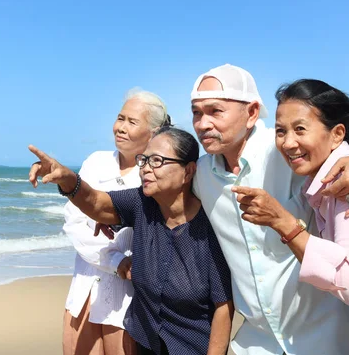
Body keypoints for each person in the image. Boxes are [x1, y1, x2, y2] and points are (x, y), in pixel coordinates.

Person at [189, 64, 349, 355]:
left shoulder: (290, 150)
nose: (202, 123)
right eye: (196, 113)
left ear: (251, 113)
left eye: (215, 111)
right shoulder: (201, 175)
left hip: (328, 334)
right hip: (257, 342)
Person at [29, 127, 234, 355]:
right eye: (144, 160)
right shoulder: (141, 203)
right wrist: (67, 180)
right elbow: (97, 203)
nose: (145, 168)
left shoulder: (210, 227)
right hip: (144, 343)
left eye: (157, 161)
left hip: (190, 347)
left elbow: (223, 306)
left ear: (188, 171)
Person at [59, 89, 169, 355]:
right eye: (121, 118)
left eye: (132, 122)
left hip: (128, 297)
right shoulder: (96, 162)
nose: (121, 127)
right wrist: (114, 260)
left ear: (153, 132)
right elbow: (74, 221)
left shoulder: (155, 174)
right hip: (85, 287)